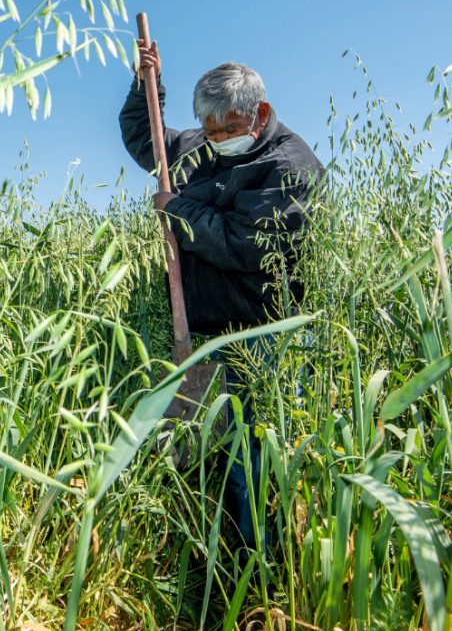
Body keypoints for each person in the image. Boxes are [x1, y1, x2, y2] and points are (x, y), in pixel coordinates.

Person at [119, 39, 325, 551]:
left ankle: (269, 570)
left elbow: (246, 244)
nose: (219, 139)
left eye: (230, 129)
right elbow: (151, 142)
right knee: (199, 451)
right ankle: (211, 559)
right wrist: (147, 84)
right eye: (210, 131)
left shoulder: (290, 167)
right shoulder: (204, 148)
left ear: (261, 113)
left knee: (254, 459)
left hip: (262, 339)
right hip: (204, 337)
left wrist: (178, 211)